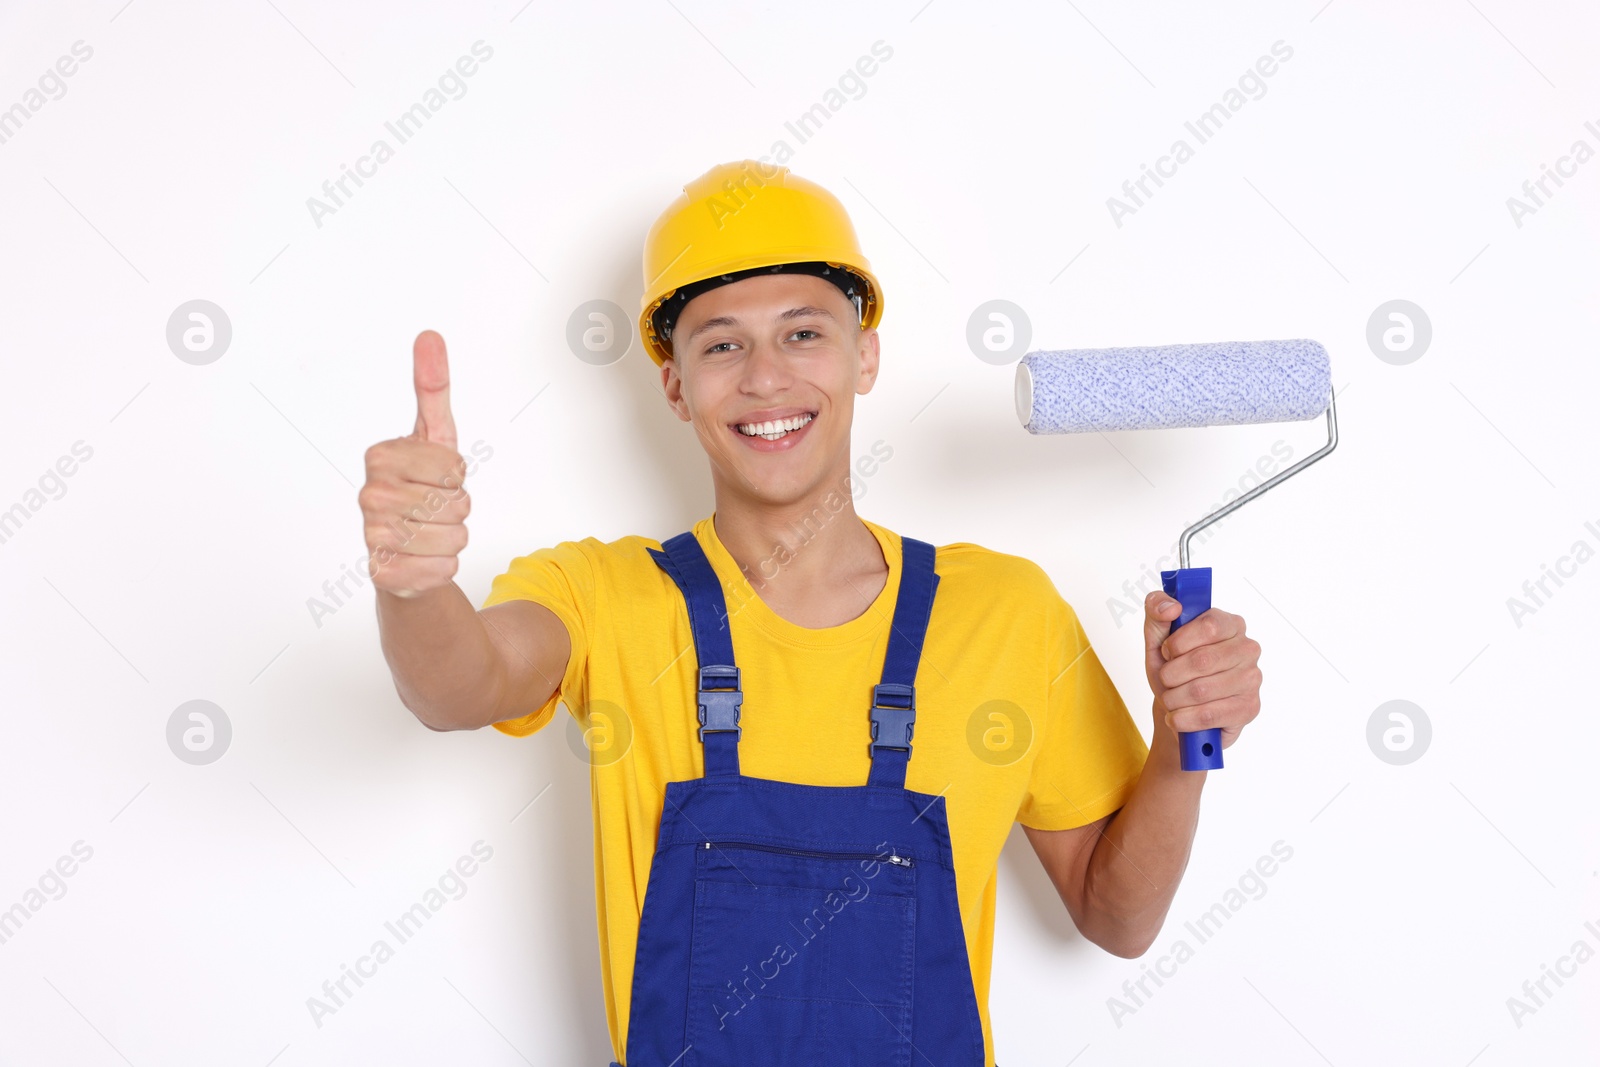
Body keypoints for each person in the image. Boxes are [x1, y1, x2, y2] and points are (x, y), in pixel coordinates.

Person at [361, 160, 1264, 1066]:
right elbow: (456, 685)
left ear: (865, 353)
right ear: (673, 384)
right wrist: (414, 585)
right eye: (720, 345)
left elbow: (1118, 917)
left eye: (803, 333)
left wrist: (1185, 743)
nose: (765, 378)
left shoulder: (1005, 613)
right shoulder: (605, 597)